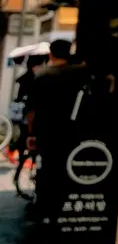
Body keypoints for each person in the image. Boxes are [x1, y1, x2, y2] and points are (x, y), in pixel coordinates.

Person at [25, 40, 90, 222]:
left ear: (51, 54)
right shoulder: (79, 73)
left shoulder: (42, 76)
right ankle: (63, 207)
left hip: (46, 130)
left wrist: (31, 134)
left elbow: (32, 110)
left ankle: (45, 208)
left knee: (46, 168)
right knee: (68, 169)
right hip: (72, 130)